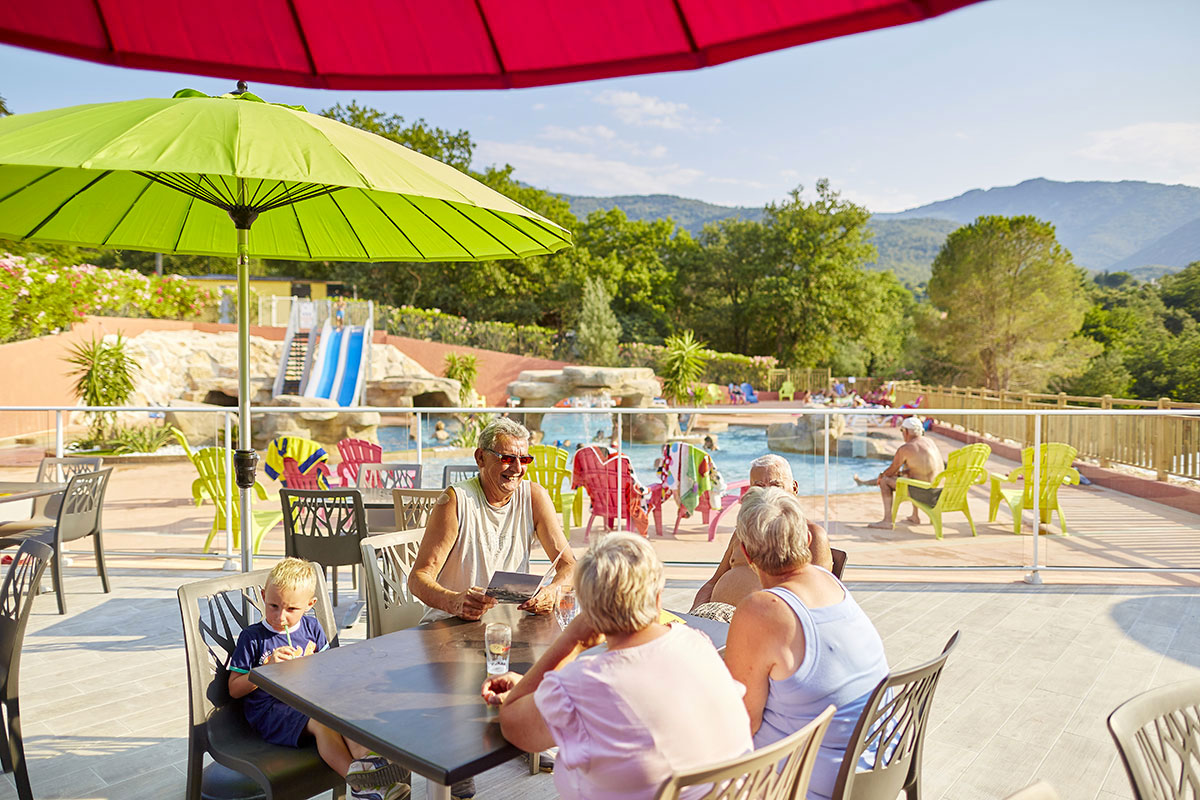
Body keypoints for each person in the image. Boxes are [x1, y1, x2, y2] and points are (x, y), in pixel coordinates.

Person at [480, 533, 752, 800]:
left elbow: (513, 724)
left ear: (589, 610)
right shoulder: (696, 643)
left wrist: (571, 639)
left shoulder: (587, 682)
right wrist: (548, 691)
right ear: (658, 598)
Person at [723, 488, 889, 800]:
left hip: (815, 784)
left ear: (746, 554)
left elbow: (742, 720)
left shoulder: (764, 610)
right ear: (808, 541)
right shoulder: (830, 583)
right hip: (877, 765)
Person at [228, 558, 410, 800]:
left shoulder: (312, 628)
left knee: (346, 709)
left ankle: (371, 763)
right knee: (322, 721)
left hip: (309, 700)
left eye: (291, 609)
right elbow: (234, 689)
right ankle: (360, 786)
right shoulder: (253, 638)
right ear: (263, 595)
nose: (280, 616)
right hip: (270, 712)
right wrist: (267, 668)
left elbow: (329, 673)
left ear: (310, 604)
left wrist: (310, 666)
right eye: (273, 606)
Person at [411, 417, 575, 623]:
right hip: (451, 623)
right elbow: (418, 578)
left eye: (524, 460)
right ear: (480, 458)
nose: (517, 469)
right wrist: (454, 601)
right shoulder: (456, 500)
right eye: (507, 458)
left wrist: (552, 591)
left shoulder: (534, 497)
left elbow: (569, 565)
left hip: (510, 624)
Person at [690, 454, 832, 621]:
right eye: (759, 486)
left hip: (761, 624)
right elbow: (712, 583)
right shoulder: (743, 531)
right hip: (713, 617)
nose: (768, 492)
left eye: (776, 485)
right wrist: (693, 617)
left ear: (794, 489)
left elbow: (818, 600)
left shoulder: (813, 535)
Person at [854, 415, 944, 528]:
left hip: (924, 494)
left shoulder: (906, 448)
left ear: (906, 431)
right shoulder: (930, 442)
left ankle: (887, 521)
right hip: (939, 492)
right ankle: (915, 516)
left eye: (902, 430)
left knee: (885, 481)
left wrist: (881, 476)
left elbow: (890, 472)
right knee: (910, 473)